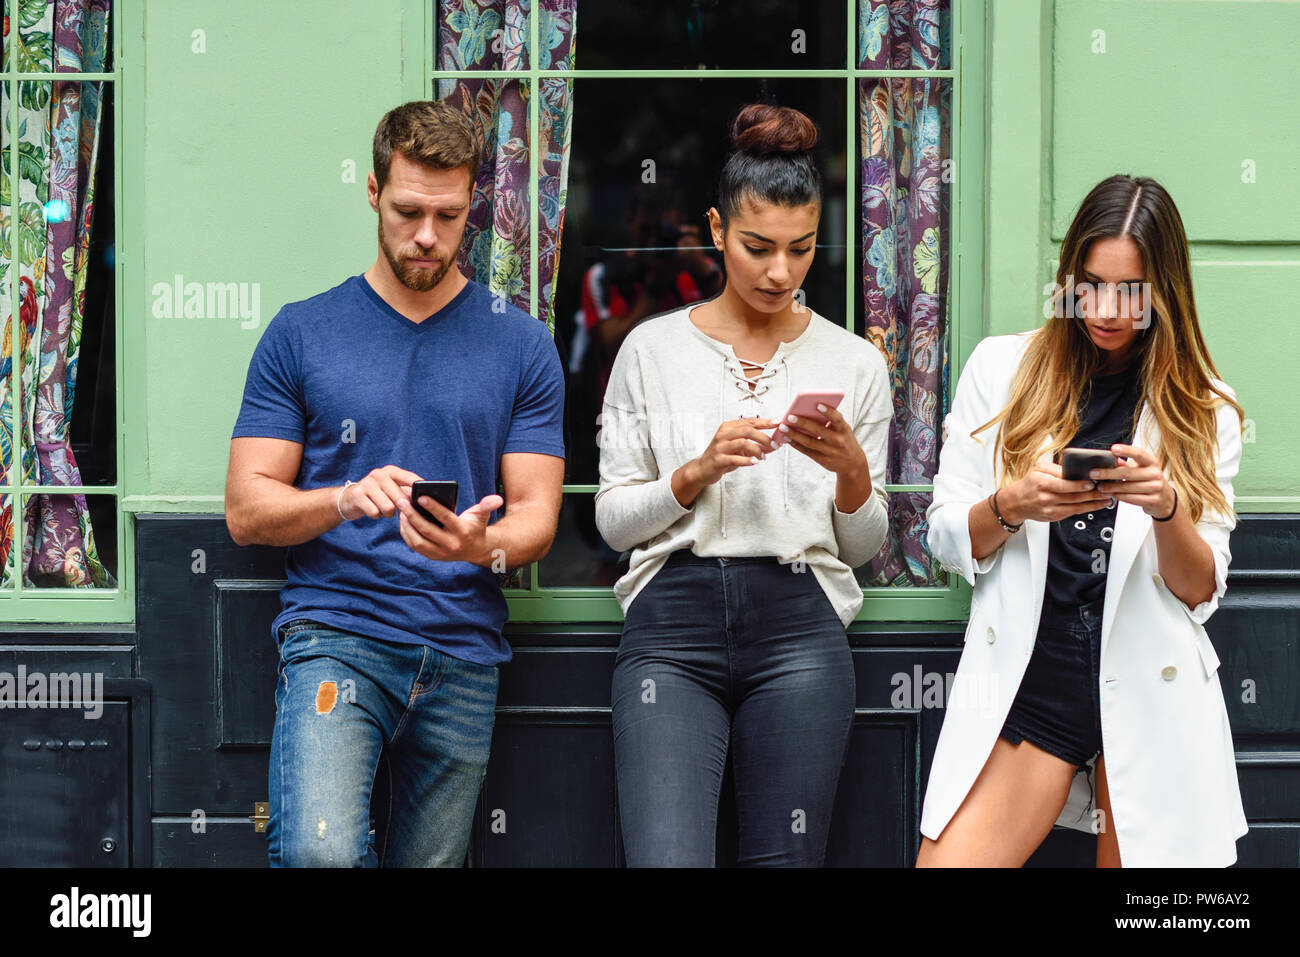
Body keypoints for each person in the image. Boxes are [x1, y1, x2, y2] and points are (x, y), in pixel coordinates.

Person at [225, 100, 566, 867]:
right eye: (409, 210)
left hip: (464, 649)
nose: (426, 236)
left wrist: (482, 545)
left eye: (448, 216)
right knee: (321, 857)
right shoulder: (302, 331)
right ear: (373, 192)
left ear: (474, 202)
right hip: (335, 638)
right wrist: (342, 498)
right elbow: (246, 509)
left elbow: (539, 516)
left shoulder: (521, 343)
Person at [916, 175, 1248, 867]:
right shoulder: (1004, 367)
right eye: (1090, 283)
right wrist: (1010, 505)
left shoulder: (1203, 405)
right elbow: (942, 533)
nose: (1105, 308)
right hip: (1038, 681)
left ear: (1165, 291)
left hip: (1154, 694)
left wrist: (1167, 507)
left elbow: (1199, 590)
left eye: (1131, 290)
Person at [596, 102, 893, 866]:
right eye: (758, 246)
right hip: (672, 626)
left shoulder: (854, 363)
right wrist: (691, 475)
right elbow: (613, 522)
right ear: (717, 229)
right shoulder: (650, 351)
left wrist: (855, 478)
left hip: (801, 624)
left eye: (799, 250)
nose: (780, 272)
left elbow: (862, 545)